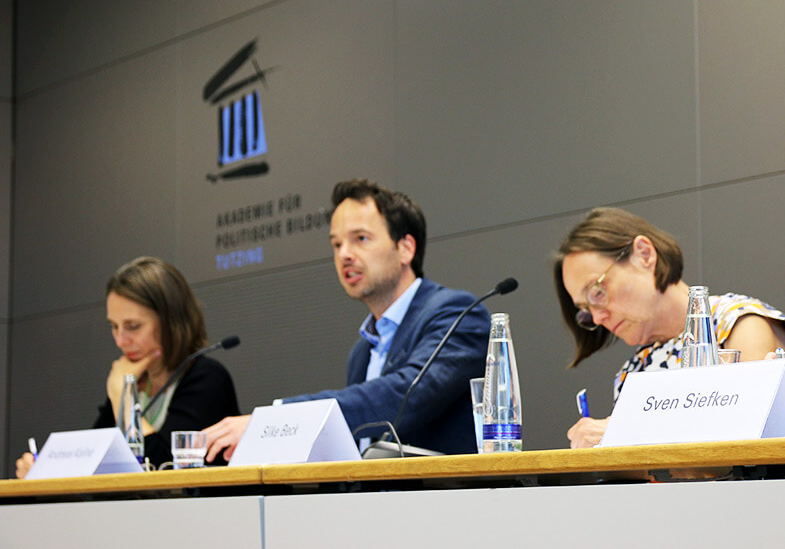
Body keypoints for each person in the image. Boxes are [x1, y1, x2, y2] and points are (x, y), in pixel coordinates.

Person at [203, 179, 489, 459]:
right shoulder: (361, 352)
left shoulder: (458, 313)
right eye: (337, 244)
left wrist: (274, 421)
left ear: (405, 248)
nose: (344, 255)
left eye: (360, 239)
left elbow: (404, 393)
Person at [555, 207, 785, 448]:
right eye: (586, 311)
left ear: (644, 254)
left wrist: (623, 433)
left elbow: (748, 433)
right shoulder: (633, 369)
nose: (598, 318)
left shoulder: (736, 322)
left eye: (597, 292)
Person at [15, 257, 240, 477]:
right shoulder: (132, 378)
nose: (120, 340)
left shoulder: (207, 377)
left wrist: (122, 396)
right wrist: (43, 470)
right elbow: (90, 467)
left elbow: (163, 467)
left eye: (133, 326)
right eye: (114, 326)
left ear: (172, 322)